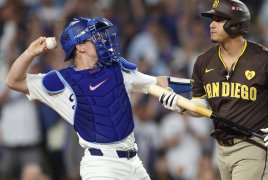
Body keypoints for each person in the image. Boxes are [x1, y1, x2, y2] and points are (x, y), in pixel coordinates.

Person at [159, 0, 268, 179]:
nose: (212, 24)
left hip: (254, 146)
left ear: (236, 24)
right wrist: (179, 105)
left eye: (219, 19)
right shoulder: (203, 62)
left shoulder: (265, 60)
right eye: (212, 19)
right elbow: (202, 105)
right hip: (222, 150)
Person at [5, 16, 167, 180]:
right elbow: (13, 81)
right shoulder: (61, 81)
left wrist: (191, 91)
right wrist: (30, 52)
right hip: (101, 166)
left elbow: (160, 82)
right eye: (95, 37)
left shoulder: (117, 69)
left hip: (134, 163)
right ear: (80, 46)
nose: (102, 40)